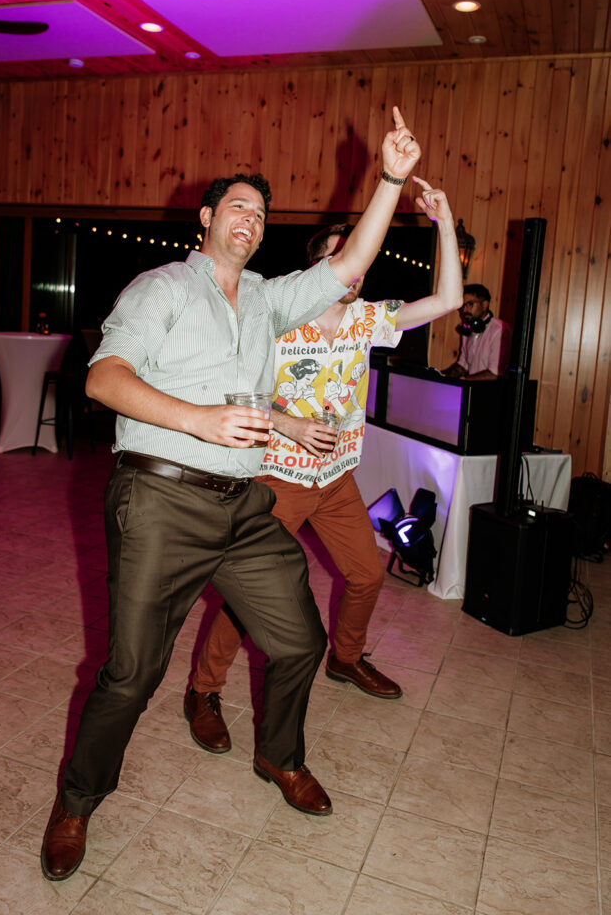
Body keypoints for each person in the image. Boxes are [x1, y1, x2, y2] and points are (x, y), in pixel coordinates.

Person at [40, 107, 421, 881]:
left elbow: (349, 265)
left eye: (262, 214)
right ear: (208, 219)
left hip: (244, 505)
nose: (251, 220)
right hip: (160, 499)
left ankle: (279, 756)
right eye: (238, 207)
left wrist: (390, 178)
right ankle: (77, 801)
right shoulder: (162, 288)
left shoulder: (269, 301)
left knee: (300, 641)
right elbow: (103, 379)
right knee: (131, 674)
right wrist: (200, 420)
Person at [185, 183, 463, 755]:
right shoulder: (276, 313)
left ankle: (346, 658)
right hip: (276, 479)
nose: (354, 271)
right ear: (318, 267)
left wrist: (446, 223)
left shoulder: (368, 320)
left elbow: (448, 301)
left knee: (367, 575)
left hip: (336, 480)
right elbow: (230, 390)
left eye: (359, 260)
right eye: (342, 258)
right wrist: (287, 422)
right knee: (248, 595)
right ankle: (203, 690)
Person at [442, 283, 510, 379]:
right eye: (463, 305)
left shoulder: (499, 330)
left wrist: (464, 380)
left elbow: (494, 374)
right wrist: (440, 377)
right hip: (470, 386)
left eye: (470, 304)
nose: (464, 310)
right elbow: (462, 366)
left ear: (484, 305)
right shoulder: (468, 328)